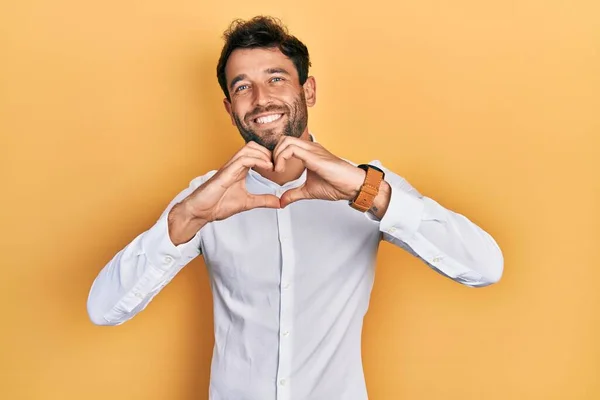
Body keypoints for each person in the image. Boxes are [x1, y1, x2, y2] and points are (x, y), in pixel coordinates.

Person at [86, 15, 504, 400]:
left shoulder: (365, 184)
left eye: (276, 79)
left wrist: (369, 192)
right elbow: (104, 309)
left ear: (308, 90)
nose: (261, 99)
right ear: (230, 111)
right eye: (242, 86)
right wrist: (187, 219)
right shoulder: (206, 198)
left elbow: (485, 267)